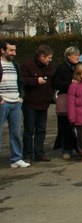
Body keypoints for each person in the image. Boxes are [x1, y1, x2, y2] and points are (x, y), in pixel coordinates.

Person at [20, 44, 55, 162]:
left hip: (44, 103)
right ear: (41, 56)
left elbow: (52, 82)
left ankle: (39, 152)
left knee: (41, 129)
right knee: (29, 130)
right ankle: (27, 154)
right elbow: (22, 80)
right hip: (30, 103)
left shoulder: (49, 68)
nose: (50, 60)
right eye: (49, 58)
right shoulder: (27, 66)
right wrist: (35, 80)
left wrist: (50, 96)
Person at [0, 40, 28, 168]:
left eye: (14, 50)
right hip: (3, 103)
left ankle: (16, 158)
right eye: (11, 50)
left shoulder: (15, 66)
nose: (13, 53)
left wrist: (21, 97)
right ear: (2, 50)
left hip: (16, 102)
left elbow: (21, 82)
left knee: (16, 132)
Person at [53, 46, 81, 160]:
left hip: (79, 99)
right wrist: (70, 83)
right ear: (68, 56)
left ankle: (79, 147)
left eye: (78, 55)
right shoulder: (61, 68)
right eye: (75, 55)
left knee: (79, 126)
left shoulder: (80, 66)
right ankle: (66, 149)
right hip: (65, 98)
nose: (77, 57)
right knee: (65, 126)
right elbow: (56, 84)